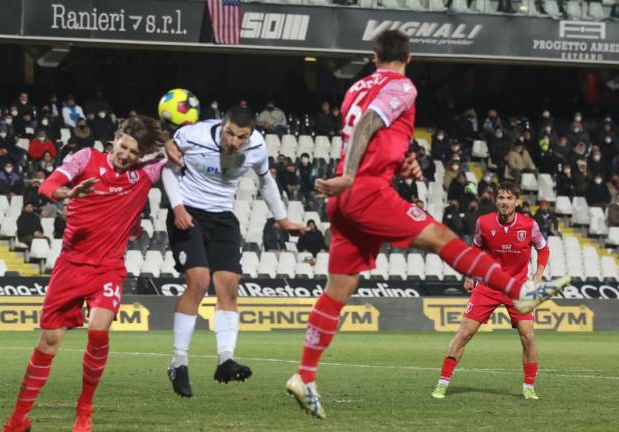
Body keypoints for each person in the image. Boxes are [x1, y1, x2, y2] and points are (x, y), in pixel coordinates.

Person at [285, 30, 569, 420]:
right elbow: (370, 122)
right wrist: (353, 175)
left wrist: (399, 162)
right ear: (410, 57)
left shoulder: (355, 88)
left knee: (339, 288)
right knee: (441, 237)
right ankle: (520, 290)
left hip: (343, 201)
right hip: (364, 190)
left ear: (373, 55)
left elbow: (372, 134)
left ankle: (305, 375)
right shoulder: (401, 84)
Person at [2, 116, 166, 432]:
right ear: (116, 139)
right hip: (70, 266)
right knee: (48, 343)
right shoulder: (86, 158)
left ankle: (84, 410)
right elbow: (49, 185)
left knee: (98, 331)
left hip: (109, 269)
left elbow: (177, 156)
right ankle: (18, 419)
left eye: (134, 152)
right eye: (124, 146)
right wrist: (68, 194)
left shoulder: (144, 174)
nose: (126, 155)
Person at [162, 106, 305, 398]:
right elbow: (168, 169)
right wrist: (177, 206)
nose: (234, 142)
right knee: (200, 281)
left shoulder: (256, 147)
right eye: (230, 133)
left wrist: (282, 219)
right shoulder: (194, 135)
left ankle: (225, 360)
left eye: (242, 137)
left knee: (229, 286)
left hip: (223, 217)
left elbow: (266, 181)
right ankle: (178, 362)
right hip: (188, 212)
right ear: (221, 125)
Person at [431, 182, 550, 400]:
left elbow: (543, 249)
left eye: (509, 198)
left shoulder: (529, 225)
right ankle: (442, 383)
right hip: (488, 285)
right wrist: (469, 275)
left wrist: (539, 273)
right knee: (465, 332)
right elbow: (476, 248)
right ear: (496, 200)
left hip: (517, 288)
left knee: (528, 336)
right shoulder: (483, 223)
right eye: (501, 198)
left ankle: (529, 387)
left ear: (516, 201)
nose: (504, 202)